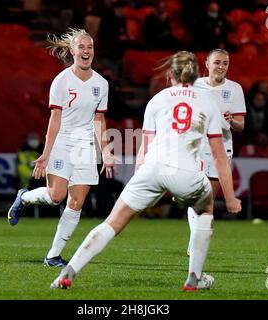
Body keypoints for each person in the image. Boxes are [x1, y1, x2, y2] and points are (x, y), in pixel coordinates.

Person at [50, 50, 242, 291]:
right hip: (187, 173)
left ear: (170, 74)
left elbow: (144, 149)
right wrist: (231, 197)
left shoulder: (157, 99)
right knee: (205, 210)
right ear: (195, 75)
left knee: (113, 222)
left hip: (152, 168)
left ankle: (69, 271)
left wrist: (141, 181)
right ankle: (194, 277)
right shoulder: (208, 103)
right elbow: (219, 156)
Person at [7, 28, 115, 268]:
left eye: (90, 47)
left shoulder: (102, 84)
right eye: (82, 47)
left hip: (85, 146)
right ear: (72, 51)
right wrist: (46, 153)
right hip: (63, 141)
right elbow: (55, 119)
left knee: (76, 202)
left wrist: (105, 151)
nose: (86, 51)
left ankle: (53, 255)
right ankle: (24, 197)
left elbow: (99, 120)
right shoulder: (62, 81)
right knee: (56, 196)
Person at [187, 49, 246, 251]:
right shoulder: (195, 85)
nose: (221, 67)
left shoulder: (235, 89)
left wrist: (232, 121)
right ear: (207, 64)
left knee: (208, 198)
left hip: (221, 147)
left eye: (225, 63)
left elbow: (241, 125)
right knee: (197, 194)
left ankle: (196, 236)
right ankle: (194, 240)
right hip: (197, 144)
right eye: (217, 62)